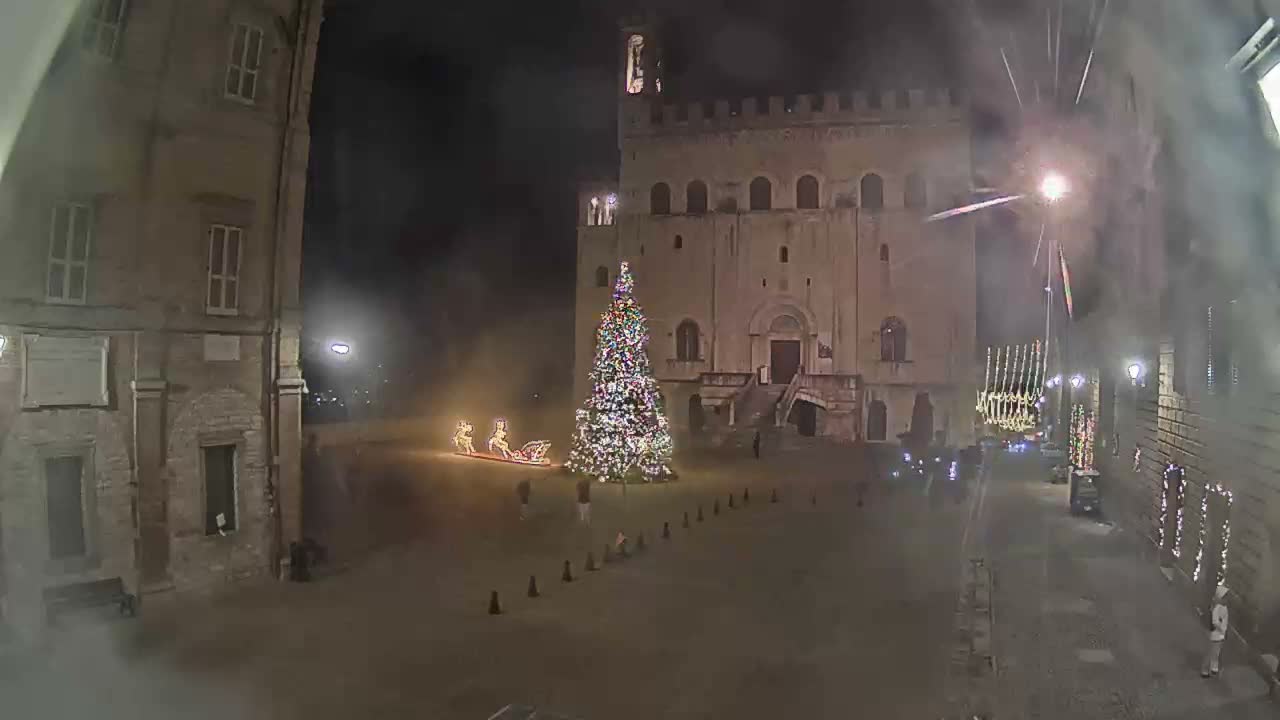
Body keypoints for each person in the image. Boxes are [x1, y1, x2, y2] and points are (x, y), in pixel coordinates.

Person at [1202, 584, 1230, 677]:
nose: (1227, 600)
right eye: (1225, 597)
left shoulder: (1224, 608)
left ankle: (1214, 668)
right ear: (1220, 598)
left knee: (1216, 652)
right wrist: (1221, 628)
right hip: (1216, 634)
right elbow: (1215, 622)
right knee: (1211, 653)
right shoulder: (1217, 608)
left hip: (1220, 635)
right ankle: (1205, 671)